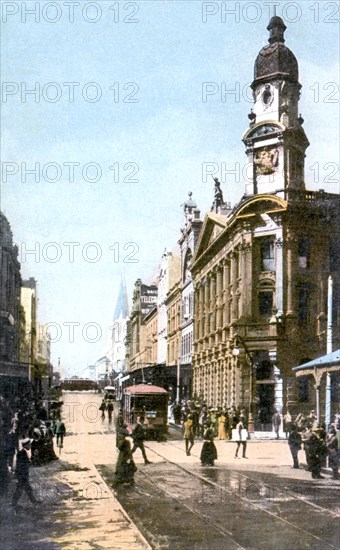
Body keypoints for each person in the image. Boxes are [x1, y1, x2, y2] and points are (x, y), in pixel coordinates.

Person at [12, 438, 39, 509]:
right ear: (26, 445)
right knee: (20, 490)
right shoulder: (22, 453)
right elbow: (22, 465)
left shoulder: (23, 452)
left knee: (26, 489)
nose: (30, 445)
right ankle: (13, 504)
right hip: (22, 474)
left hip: (22, 474)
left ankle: (34, 502)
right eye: (29, 444)